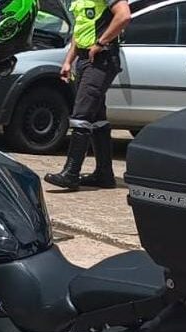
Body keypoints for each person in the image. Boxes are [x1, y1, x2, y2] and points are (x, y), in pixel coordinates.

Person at [44, 0, 130, 191]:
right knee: (97, 117)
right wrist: (68, 61)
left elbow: (124, 16)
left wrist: (101, 42)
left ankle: (71, 174)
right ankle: (104, 174)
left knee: (81, 115)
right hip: (85, 59)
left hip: (101, 59)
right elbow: (80, 29)